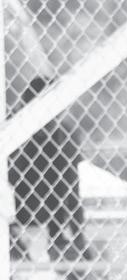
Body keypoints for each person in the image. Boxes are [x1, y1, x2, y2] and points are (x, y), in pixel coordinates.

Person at [8, 76, 94, 267]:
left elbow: (72, 189)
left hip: (51, 221)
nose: (51, 118)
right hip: (19, 217)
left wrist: (78, 236)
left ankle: (58, 242)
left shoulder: (64, 134)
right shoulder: (13, 131)